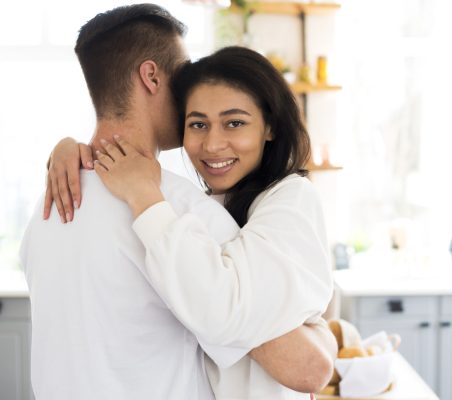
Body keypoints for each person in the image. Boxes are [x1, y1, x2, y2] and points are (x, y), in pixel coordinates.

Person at [22, 4, 335, 400]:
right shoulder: (177, 207)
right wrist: (320, 328)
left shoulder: (48, 205)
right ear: (152, 76)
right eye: (183, 73)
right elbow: (306, 365)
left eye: (234, 122)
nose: (190, 90)